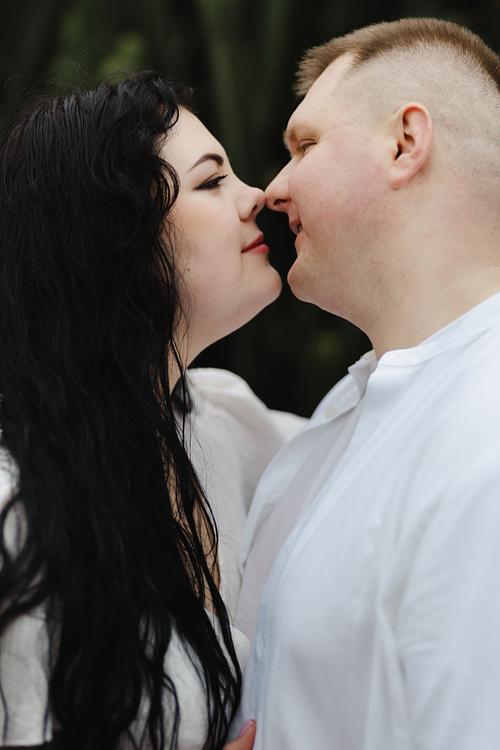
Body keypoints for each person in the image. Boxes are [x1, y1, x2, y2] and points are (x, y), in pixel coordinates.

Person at [0, 73, 303, 750]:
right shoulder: (16, 508)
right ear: (116, 237)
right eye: (211, 181)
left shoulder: (226, 424)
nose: (258, 196)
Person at [233, 17, 500, 750]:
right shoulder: (338, 414)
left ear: (405, 143)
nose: (273, 188)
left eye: (305, 145)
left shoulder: (487, 432)